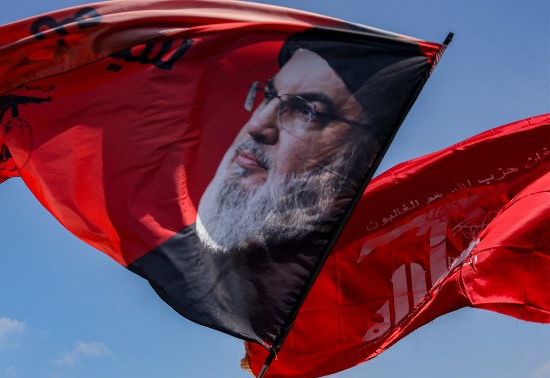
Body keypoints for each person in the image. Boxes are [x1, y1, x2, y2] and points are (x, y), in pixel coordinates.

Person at [135, 26, 427, 344]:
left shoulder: (337, 278)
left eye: (305, 110)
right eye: (270, 96)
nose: (257, 126)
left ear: (363, 156)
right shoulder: (157, 242)